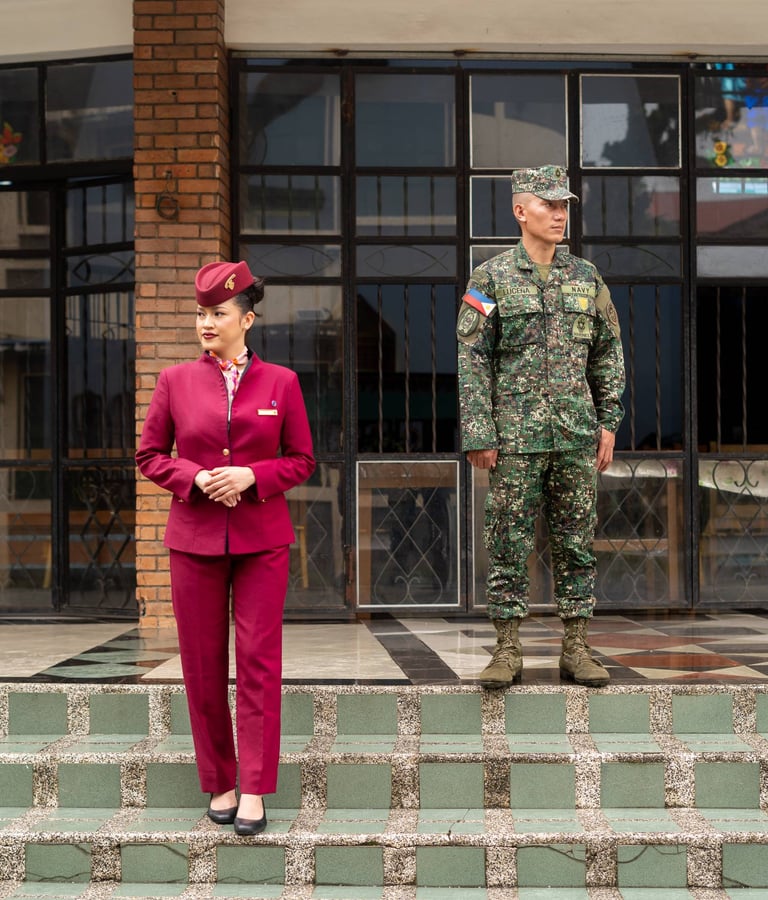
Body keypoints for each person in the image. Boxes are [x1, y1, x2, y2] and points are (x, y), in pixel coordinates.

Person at [136, 260, 315, 834]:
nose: (206, 323)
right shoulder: (175, 381)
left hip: (263, 540)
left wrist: (252, 476)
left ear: (247, 319)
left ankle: (255, 786)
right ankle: (221, 781)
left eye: (217, 313)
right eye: (200, 314)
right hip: (194, 539)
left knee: (259, 662)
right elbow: (149, 456)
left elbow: (301, 460)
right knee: (202, 664)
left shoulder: (281, 382)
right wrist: (194, 477)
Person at [457, 165, 625, 689]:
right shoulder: (489, 279)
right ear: (519, 210)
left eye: (563, 205)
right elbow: (472, 358)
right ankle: (507, 649)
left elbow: (608, 353)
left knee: (576, 541)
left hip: (575, 434)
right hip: (515, 439)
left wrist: (608, 421)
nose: (559, 214)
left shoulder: (587, 278)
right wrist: (479, 431)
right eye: (548, 204)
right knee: (508, 540)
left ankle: (576, 647)